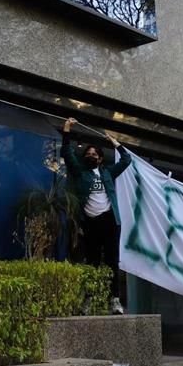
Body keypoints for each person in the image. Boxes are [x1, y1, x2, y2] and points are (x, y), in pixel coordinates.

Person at [61, 117, 133, 315]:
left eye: (94, 154)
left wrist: (115, 143)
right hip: (90, 222)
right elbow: (66, 153)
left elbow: (127, 160)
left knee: (112, 261)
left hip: (110, 221)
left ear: (100, 159)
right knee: (91, 263)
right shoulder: (80, 172)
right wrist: (67, 129)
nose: (91, 155)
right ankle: (88, 301)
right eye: (88, 153)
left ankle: (115, 301)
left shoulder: (108, 173)